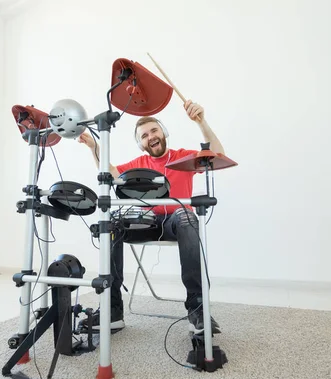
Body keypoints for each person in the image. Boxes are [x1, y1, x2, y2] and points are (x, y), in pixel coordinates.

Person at [76, 99, 225, 335]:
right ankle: (112, 312)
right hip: (147, 222)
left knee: (186, 216)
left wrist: (201, 121)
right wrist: (93, 146)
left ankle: (197, 308)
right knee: (111, 225)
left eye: (154, 130)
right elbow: (110, 173)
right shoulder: (139, 164)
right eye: (144, 135)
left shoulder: (183, 156)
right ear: (140, 143)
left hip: (178, 221)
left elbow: (217, 156)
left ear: (163, 133)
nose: (151, 137)